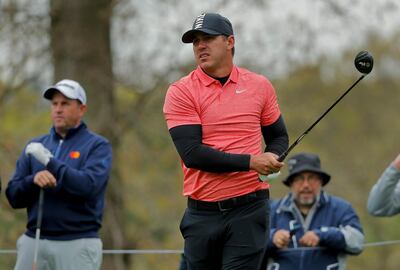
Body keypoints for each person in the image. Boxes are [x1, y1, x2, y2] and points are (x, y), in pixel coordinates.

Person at [163, 13, 289, 270]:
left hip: (250, 207)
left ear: (230, 41)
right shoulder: (181, 91)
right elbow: (193, 154)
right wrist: (252, 162)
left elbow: (278, 136)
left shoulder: (259, 86)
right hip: (202, 213)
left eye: (208, 38)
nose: (200, 46)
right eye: (196, 41)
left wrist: (273, 158)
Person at [6, 79, 112, 270]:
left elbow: (88, 186)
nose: (58, 109)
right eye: (54, 104)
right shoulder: (35, 146)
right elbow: (13, 196)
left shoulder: (97, 146)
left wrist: (50, 162)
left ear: (82, 109)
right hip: (34, 241)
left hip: (78, 243)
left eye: (65, 103)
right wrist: (33, 180)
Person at [264, 152, 364, 270]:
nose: (306, 185)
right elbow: (251, 243)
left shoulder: (341, 208)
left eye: (312, 178)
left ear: (321, 181)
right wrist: (272, 237)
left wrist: (323, 235)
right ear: (291, 183)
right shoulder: (272, 210)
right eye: (299, 179)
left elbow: (357, 242)